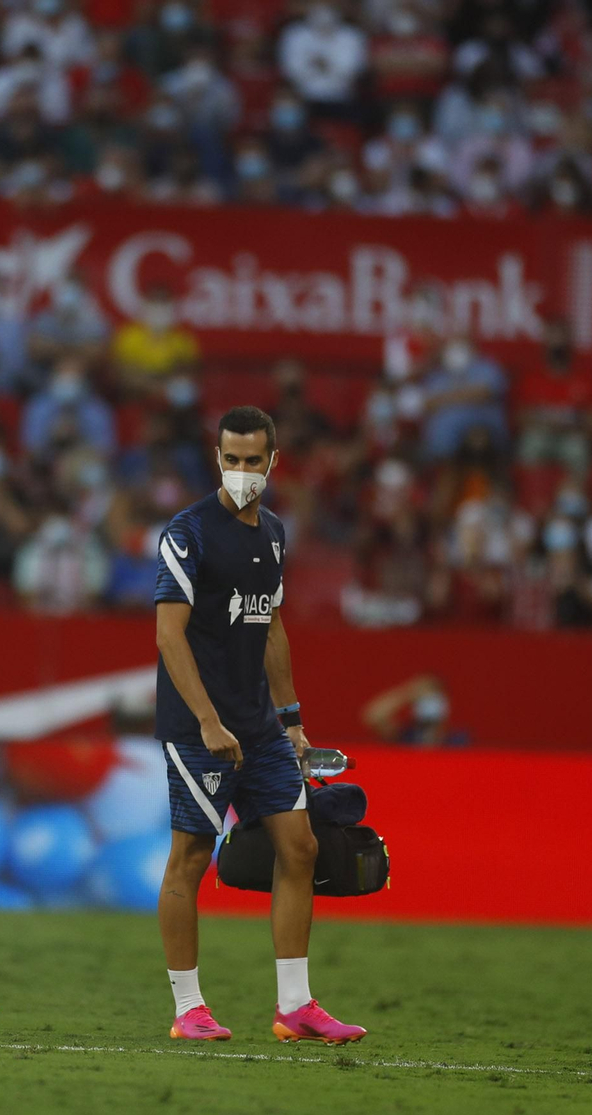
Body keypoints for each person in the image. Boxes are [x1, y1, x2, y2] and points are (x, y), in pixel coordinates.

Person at [153, 405, 365, 1046]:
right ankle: (188, 1008)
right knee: (189, 859)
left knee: (299, 849)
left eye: (252, 460)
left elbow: (271, 625)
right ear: (217, 457)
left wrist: (292, 719)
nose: (241, 471)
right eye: (230, 459)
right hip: (199, 729)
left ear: (275, 462)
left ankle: (295, 1007)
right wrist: (209, 721)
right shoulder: (187, 533)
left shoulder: (273, 532)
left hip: (261, 727)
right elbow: (169, 634)